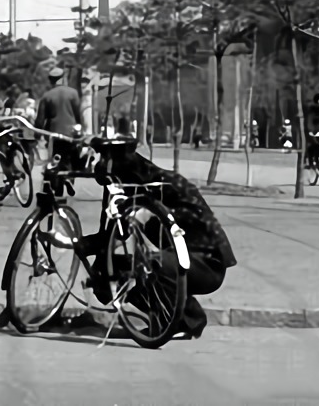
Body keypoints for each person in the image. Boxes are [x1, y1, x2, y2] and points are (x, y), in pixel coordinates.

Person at [92, 143, 238, 340]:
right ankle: (180, 315)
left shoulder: (167, 183)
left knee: (152, 264)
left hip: (207, 262)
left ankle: (181, 321)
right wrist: (85, 248)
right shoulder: (132, 196)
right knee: (114, 270)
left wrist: (153, 214)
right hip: (175, 258)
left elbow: (195, 215)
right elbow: (118, 237)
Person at [36, 67, 84, 169]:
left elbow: (40, 121)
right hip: (70, 134)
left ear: (50, 80)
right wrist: (81, 130)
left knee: (52, 161)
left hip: (53, 135)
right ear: (63, 78)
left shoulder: (46, 96)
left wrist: (36, 136)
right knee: (71, 156)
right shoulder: (73, 93)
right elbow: (79, 115)